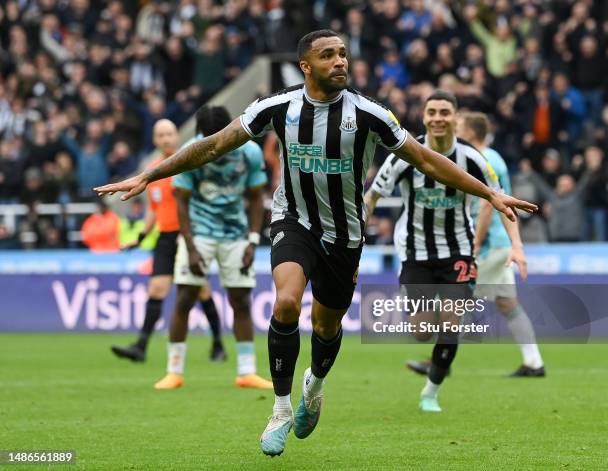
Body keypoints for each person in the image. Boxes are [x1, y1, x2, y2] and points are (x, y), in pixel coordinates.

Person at [94, 30, 537, 457]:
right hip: (293, 220)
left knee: (327, 328)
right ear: (306, 66)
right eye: (328, 55)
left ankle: (315, 385)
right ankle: (280, 409)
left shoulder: (370, 115)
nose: (340, 60)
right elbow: (213, 146)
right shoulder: (276, 107)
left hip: (345, 234)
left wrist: (489, 193)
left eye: (343, 53)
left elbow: (425, 159)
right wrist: (150, 173)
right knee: (285, 303)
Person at [365, 91, 527, 413]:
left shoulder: (473, 158)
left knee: (453, 324)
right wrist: (353, 237)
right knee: (423, 332)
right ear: (424, 117)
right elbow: (372, 198)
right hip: (416, 252)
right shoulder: (403, 155)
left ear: (455, 118)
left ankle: (430, 392)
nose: (438, 118)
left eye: (445, 112)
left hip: (459, 251)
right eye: (432, 112)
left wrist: (517, 245)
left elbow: (501, 201)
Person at [404, 111, 545, 378]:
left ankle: (439, 363)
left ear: (471, 133)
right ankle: (534, 362)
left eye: (460, 126)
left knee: (451, 299)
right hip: (500, 243)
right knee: (507, 303)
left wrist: (475, 245)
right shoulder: (495, 157)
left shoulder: (481, 158)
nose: (454, 129)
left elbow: (487, 205)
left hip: (487, 244)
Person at [153, 105, 272, 391]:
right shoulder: (191, 151)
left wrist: (253, 240)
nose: (212, 146)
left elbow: (256, 198)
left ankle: (246, 372)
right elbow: (181, 201)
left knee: (241, 301)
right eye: (206, 138)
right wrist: (191, 247)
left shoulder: (249, 152)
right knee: (185, 297)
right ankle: (174, 371)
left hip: (235, 235)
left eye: (215, 138)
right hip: (200, 233)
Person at [111, 119, 226, 363]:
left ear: (177, 136)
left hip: (189, 236)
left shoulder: (190, 163)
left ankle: (218, 345)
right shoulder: (152, 171)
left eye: (170, 134)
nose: (166, 139)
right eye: (161, 135)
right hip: (165, 237)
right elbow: (154, 210)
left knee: (202, 291)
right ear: (155, 140)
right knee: (157, 289)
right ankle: (140, 347)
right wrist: (140, 237)